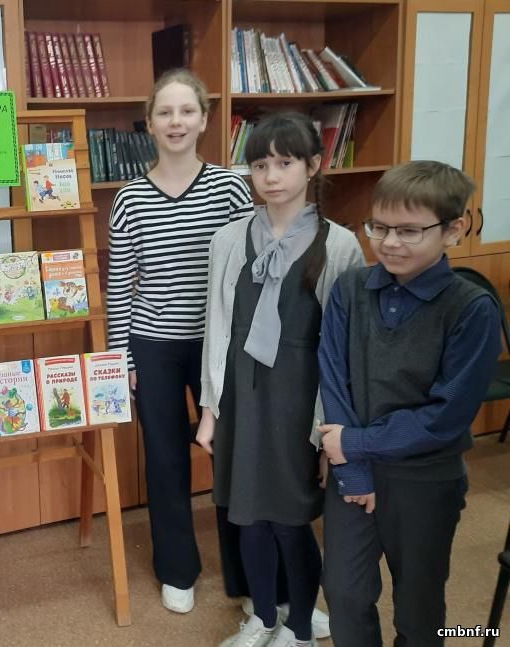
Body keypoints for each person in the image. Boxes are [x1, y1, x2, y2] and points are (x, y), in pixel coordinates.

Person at [197, 111, 364, 646]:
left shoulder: (340, 245)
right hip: (241, 396)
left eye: (285, 163)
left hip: (299, 398)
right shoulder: (228, 239)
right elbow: (217, 328)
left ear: (313, 165)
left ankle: (299, 626)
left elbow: (343, 350)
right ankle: (263, 617)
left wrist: (331, 427)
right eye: (260, 165)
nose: (270, 176)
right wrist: (209, 410)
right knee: (246, 516)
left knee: (291, 519)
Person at [317, 160, 501, 646]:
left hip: (425, 479)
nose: (390, 242)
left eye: (409, 231)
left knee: (420, 609)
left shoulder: (471, 308)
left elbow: (447, 417)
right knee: (344, 592)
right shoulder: (350, 289)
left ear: (453, 230)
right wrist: (353, 467)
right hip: (353, 472)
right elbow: (333, 377)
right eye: (379, 227)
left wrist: (355, 443)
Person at [106, 68, 254, 613]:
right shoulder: (129, 198)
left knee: (231, 456)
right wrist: (122, 359)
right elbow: (120, 284)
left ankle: (246, 576)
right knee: (166, 458)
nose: (176, 122)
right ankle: (177, 569)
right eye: (164, 112)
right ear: (149, 123)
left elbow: (249, 272)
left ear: (204, 119)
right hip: (153, 344)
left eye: (187, 111)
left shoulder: (230, 188)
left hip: (220, 345)